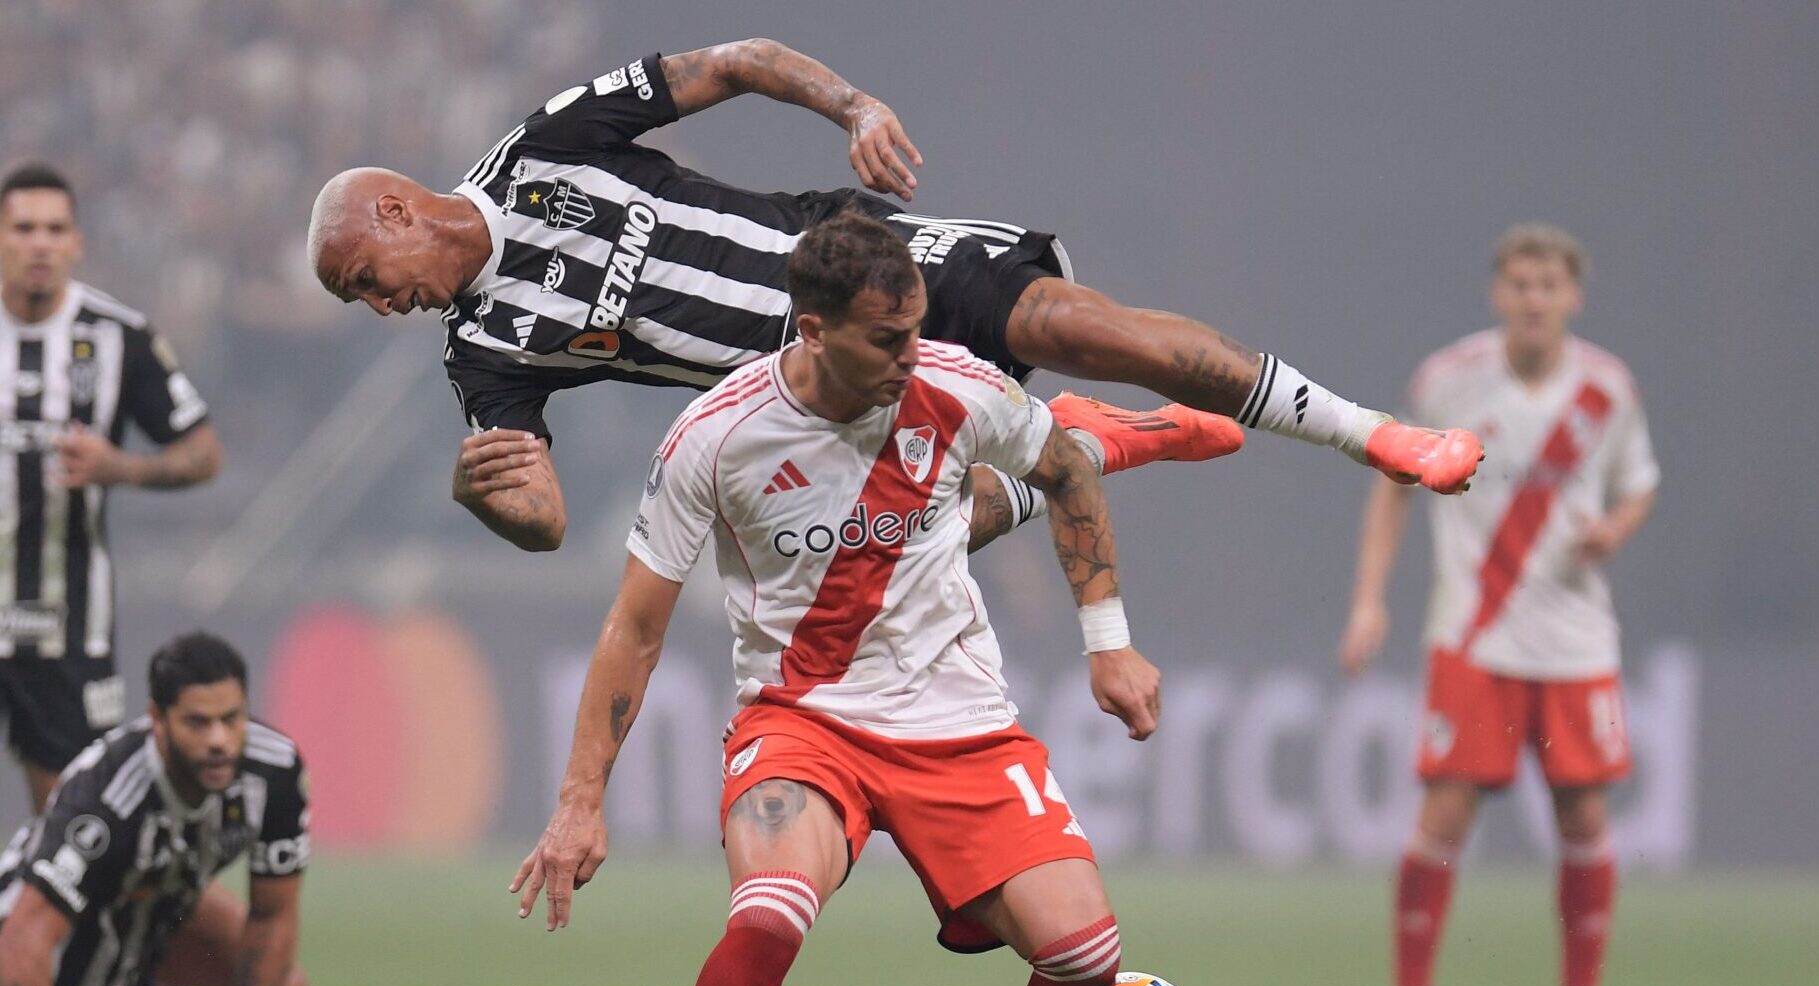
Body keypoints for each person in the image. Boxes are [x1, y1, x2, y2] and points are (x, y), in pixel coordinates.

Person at [307, 37, 1481, 554]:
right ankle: (1086, 451)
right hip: (817, 404)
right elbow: (548, 518)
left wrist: (853, 105)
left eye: (369, 280)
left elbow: (739, 61)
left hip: (846, 249)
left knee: (1077, 327)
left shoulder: (544, 149)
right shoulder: (485, 355)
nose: (380, 309)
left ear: (401, 212)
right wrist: (491, 501)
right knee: (909, 552)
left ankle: (1370, 433)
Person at [512, 213, 1160, 986]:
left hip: (957, 719)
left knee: (1083, 956)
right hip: (803, 723)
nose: (910, 353)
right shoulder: (717, 436)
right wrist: (580, 800)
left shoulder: (959, 386)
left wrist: (1108, 642)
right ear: (813, 330)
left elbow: (1066, 470)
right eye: (888, 339)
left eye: (918, 328)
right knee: (768, 916)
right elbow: (634, 626)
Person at [1338, 224, 1659, 986]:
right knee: (1444, 814)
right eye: (1519, 284)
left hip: (1575, 639)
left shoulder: (1606, 390)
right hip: (1473, 638)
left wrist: (1613, 531)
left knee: (1583, 814)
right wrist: (1369, 600)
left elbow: (1638, 486)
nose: (1532, 299)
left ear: (1571, 297)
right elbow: (1393, 480)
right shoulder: (1447, 380)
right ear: (1497, 293)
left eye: (1547, 285)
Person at [0, 163, 222, 812]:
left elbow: (202, 453)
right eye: (23, 228)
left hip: (68, 623)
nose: (39, 243)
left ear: (77, 242)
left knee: (73, 822)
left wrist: (118, 466)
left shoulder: (118, 335)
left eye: (54, 229)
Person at [0, 631, 308, 986]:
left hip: (132, 942)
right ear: (157, 721)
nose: (220, 740)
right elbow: (24, 936)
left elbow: (273, 918)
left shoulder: (273, 773)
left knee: (284, 985)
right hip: (43, 954)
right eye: (198, 723)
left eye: (231, 718)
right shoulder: (107, 801)